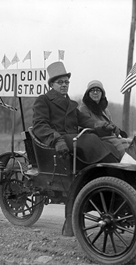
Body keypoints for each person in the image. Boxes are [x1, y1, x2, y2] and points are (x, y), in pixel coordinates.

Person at [32, 62, 120, 236]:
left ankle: (113, 175)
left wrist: (103, 126)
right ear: (52, 84)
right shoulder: (43, 101)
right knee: (90, 140)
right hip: (60, 143)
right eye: (60, 82)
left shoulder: (71, 104)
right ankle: (111, 172)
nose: (64, 85)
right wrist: (56, 140)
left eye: (66, 82)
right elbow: (40, 126)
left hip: (73, 141)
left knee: (103, 140)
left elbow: (86, 122)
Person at [79, 80, 132, 158]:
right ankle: (124, 165)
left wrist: (119, 131)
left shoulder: (104, 109)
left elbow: (111, 123)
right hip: (94, 138)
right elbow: (86, 124)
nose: (95, 93)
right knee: (119, 145)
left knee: (130, 142)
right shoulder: (84, 108)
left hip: (108, 136)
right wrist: (106, 129)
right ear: (88, 94)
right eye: (92, 90)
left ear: (102, 94)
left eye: (98, 90)